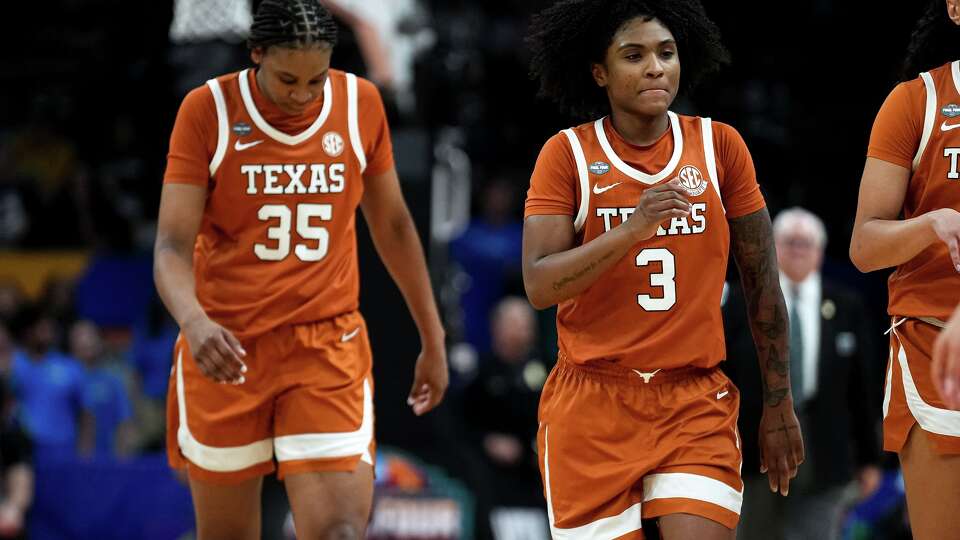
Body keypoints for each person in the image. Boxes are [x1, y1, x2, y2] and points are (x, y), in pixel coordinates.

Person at [154, 2, 448, 538]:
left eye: (316, 79)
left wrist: (433, 335)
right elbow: (171, 247)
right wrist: (194, 322)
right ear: (256, 54)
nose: (302, 94)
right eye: (288, 79)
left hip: (324, 346)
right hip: (227, 344)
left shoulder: (359, 103)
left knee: (339, 530)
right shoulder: (207, 110)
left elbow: (394, 227)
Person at [523, 1, 804, 538]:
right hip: (593, 402)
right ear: (600, 72)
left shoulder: (720, 147)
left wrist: (778, 404)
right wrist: (631, 229)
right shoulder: (567, 155)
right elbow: (538, 283)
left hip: (692, 399)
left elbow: (763, 284)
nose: (655, 67)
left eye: (666, 53)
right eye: (634, 56)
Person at [850, 1, 960, 538]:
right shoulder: (918, 101)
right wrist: (931, 223)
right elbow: (865, 246)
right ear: (955, 9)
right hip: (934, 346)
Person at [725, 208, 881, 540]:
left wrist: (870, 458)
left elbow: (862, 388)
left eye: (806, 243)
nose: (798, 250)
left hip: (825, 448)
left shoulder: (846, 305)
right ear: (771, 248)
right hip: (754, 450)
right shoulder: (740, 301)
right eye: (789, 242)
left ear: (820, 252)